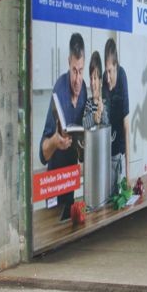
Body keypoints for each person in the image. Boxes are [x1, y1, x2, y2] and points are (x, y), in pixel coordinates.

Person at [40, 32, 87, 221]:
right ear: (69, 62)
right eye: (74, 70)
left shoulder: (84, 91)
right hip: (55, 180)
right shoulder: (58, 91)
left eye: (81, 71)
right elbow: (42, 155)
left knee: (70, 229)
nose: (77, 79)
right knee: (52, 229)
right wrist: (54, 142)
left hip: (71, 178)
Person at [103, 38, 130, 196]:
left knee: (119, 199)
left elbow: (127, 127)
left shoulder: (122, 77)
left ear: (116, 66)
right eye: (106, 71)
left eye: (110, 71)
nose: (107, 77)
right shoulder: (104, 83)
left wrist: (128, 173)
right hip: (105, 154)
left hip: (119, 154)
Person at [83, 50, 109, 129]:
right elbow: (83, 124)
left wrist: (102, 111)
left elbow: (107, 124)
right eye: (91, 78)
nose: (92, 82)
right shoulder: (88, 104)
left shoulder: (105, 103)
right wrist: (94, 117)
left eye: (95, 78)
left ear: (100, 81)